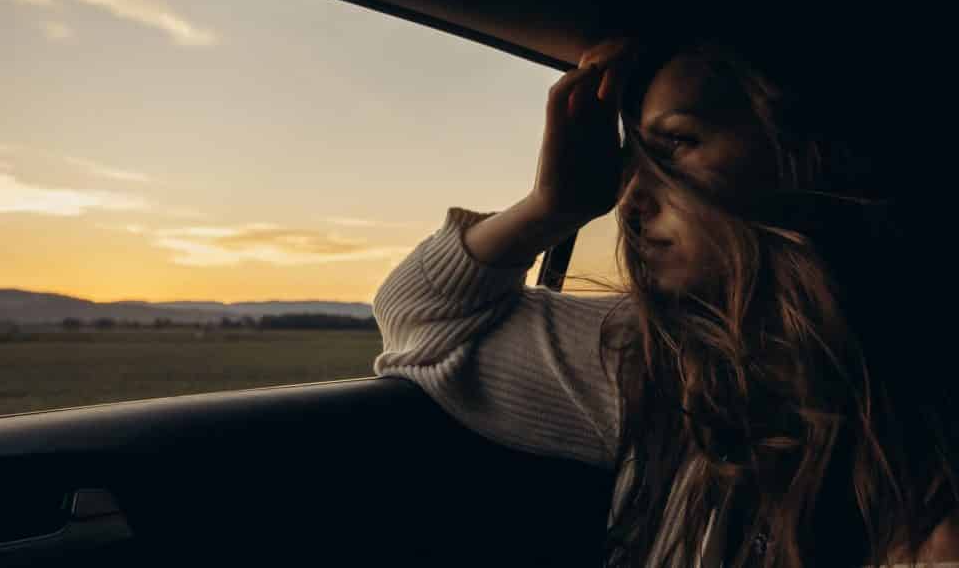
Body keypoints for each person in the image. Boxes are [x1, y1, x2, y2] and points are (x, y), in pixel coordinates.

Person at [372, 31, 956, 567]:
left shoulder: (925, 414)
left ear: (804, 149)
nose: (628, 203)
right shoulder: (659, 359)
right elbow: (422, 322)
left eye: (677, 143)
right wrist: (554, 205)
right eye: (634, 161)